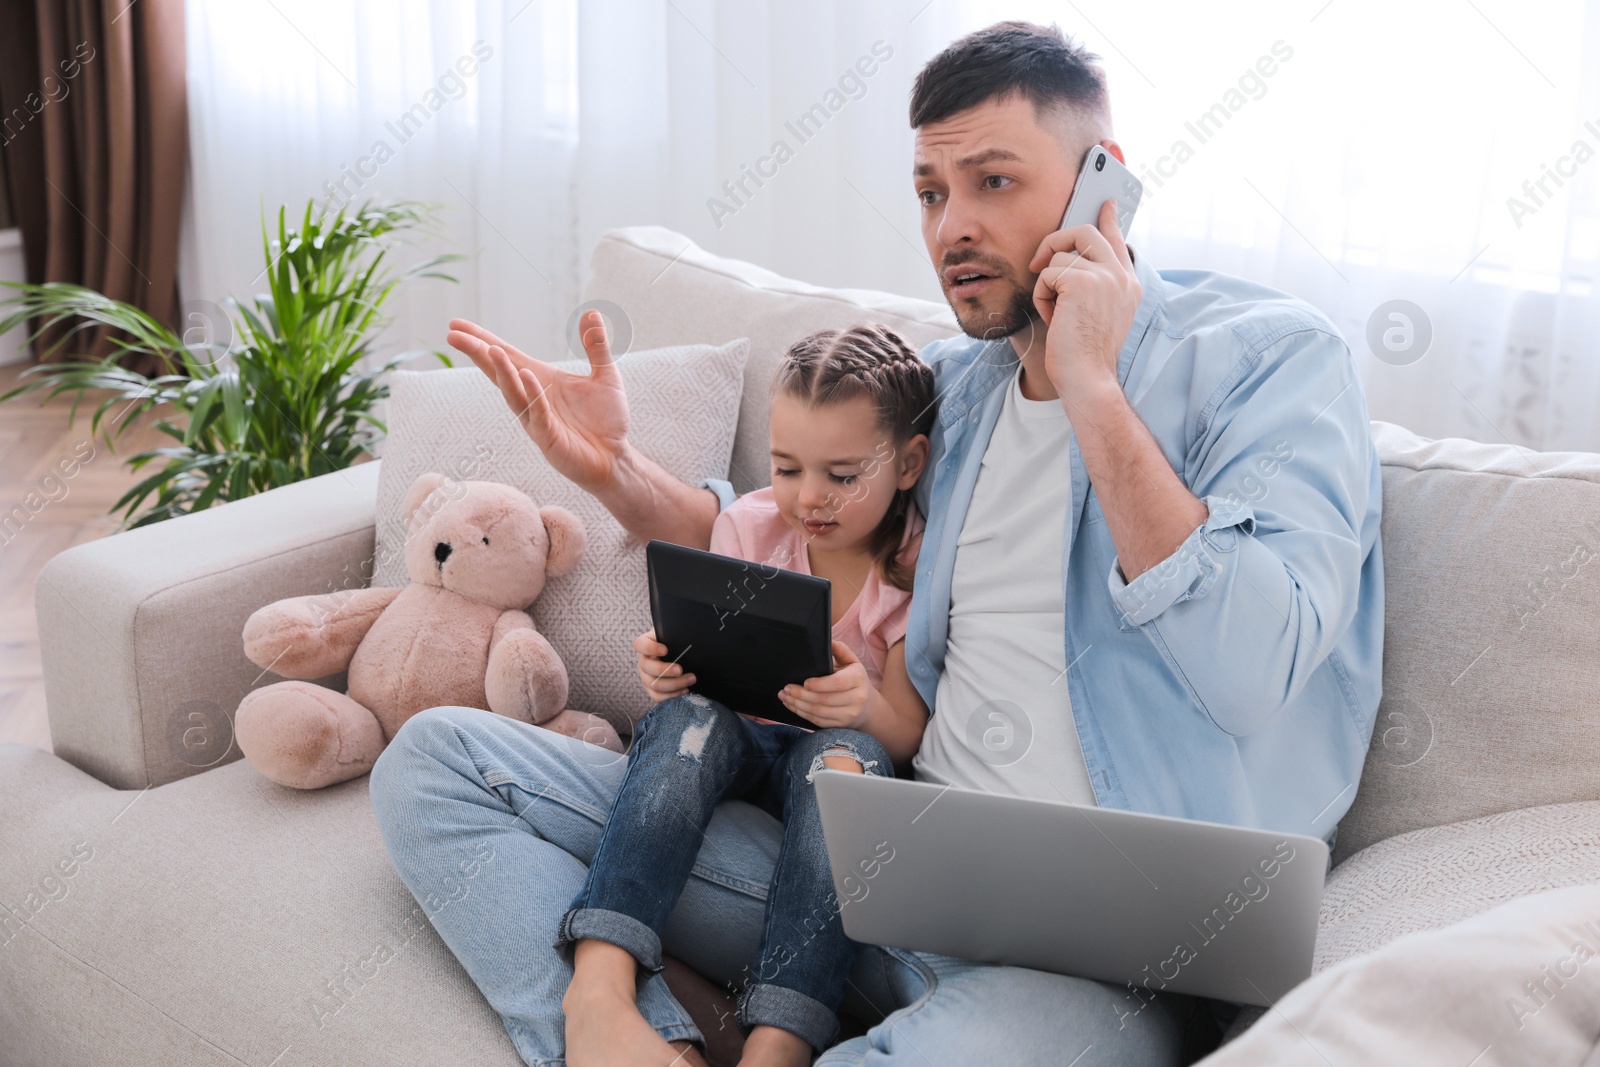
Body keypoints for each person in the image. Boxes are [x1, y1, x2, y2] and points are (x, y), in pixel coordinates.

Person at [370, 20, 1384, 1067]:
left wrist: (1093, 384)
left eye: (993, 181)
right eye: (931, 191)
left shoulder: (1271, 362)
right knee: (435, 764)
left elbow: (1250, 665)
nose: (952, 227)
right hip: (866, 861)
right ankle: (620, 1034)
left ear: (1102, 187)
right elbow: (781, 524)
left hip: (1094, 960)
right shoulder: (950, 389)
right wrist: (608, 472)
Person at [560, 324, 934, 1066]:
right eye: (788, 467)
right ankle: (599, 980)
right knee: (682, 719)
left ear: (908, 463)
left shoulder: (913, 566)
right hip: (731, 732)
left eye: (842, 473)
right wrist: (668, 670)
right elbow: (706, 666)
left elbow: (904, 733)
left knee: (846, 764)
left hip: (830, 757)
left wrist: (860, 707)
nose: (809, 497)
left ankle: (782, 1037)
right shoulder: (749, 525)